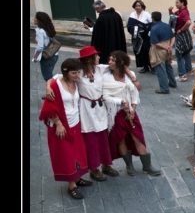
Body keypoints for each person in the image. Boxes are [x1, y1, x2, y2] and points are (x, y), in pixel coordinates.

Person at [45, 46, 134, 181]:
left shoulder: (100, 69)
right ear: (89, 60)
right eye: (96, 56)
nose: (99, 58)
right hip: (86, 108)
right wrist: (47, 88)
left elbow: (120, 65)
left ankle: (106, 165)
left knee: (104, 137)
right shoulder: (78, 72)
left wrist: (134, 79)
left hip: (100, 107)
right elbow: (54, 78)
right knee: (91, 139)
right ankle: (94, 169)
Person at [39, 58, 93, 200]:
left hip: (75, 123)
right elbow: (49, 108)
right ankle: (72, 186)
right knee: (67, 155)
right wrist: (58, 124)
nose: (77, 75)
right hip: (61, 126)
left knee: (77, 152)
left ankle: (77, 178)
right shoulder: (56, 85)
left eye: (78, 72)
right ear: (66, 72)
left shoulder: (74, 82)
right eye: (74, 73)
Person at [102, 51, 161, 176]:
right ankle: (129, 165)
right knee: (121, 140)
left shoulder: (130, 75)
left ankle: (147, 166)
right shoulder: (105, 76)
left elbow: (135, 94)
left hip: (130, 112)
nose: (109, 62)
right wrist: (121, 101)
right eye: (110, 59)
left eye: (113, 60)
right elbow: (105, 96)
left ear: (121, 63)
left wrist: (133, 109)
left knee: (137, 137)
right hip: (115, 113)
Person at [85, 0, 127, 65]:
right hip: (117, 43)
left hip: (106, 46)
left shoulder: (102, 18)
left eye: (96, 9)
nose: (97, 11)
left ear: (99, 8)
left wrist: (89, 28)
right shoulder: (116, 15)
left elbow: (98, 33)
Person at [149, 11, 177, 94]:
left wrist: (165, 47)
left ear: (153, 19)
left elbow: (155, 43)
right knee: (168, 66)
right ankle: (172, 83)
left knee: (161, 69)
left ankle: (164, 88)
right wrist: (170, 46)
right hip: (168, 48)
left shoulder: (154, 28)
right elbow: (173, 37)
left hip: (159, 50)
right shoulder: (167, 26)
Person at [169, 0, 194, 82]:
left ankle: (182, 75)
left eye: (177, 2)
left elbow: (189, 22)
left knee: (179, 54)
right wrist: (170, 11)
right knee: (186, 52)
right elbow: (173, 18)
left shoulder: (183, 12)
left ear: (182, 3)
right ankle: (189, 70)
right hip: (184, 34)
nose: (175, 4)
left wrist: (181, 29)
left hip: (182, 34)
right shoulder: (179, 11)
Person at [126, 0, 153, 73]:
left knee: (147, 51)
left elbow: (151, 24)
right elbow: (129, 25)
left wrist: (148, 31)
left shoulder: (146, 14)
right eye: (136, 6)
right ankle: (145, 66)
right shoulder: (132, 14)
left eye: (139, 6)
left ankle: (152, 66)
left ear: (142, 6)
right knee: (139, 51)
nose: (137, 7)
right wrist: (133, 28)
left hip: (145, 37)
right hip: (136, 37)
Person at [32, 12, 60, 81]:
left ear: (39, 20)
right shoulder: (48, 29)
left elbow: (40, 47)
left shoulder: (40, 31)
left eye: (35, 18)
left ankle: (53, 90)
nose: (33, 19)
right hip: (54, 55)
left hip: (46, 57)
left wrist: (35, 57)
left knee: (48, 79)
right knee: (50, 75)